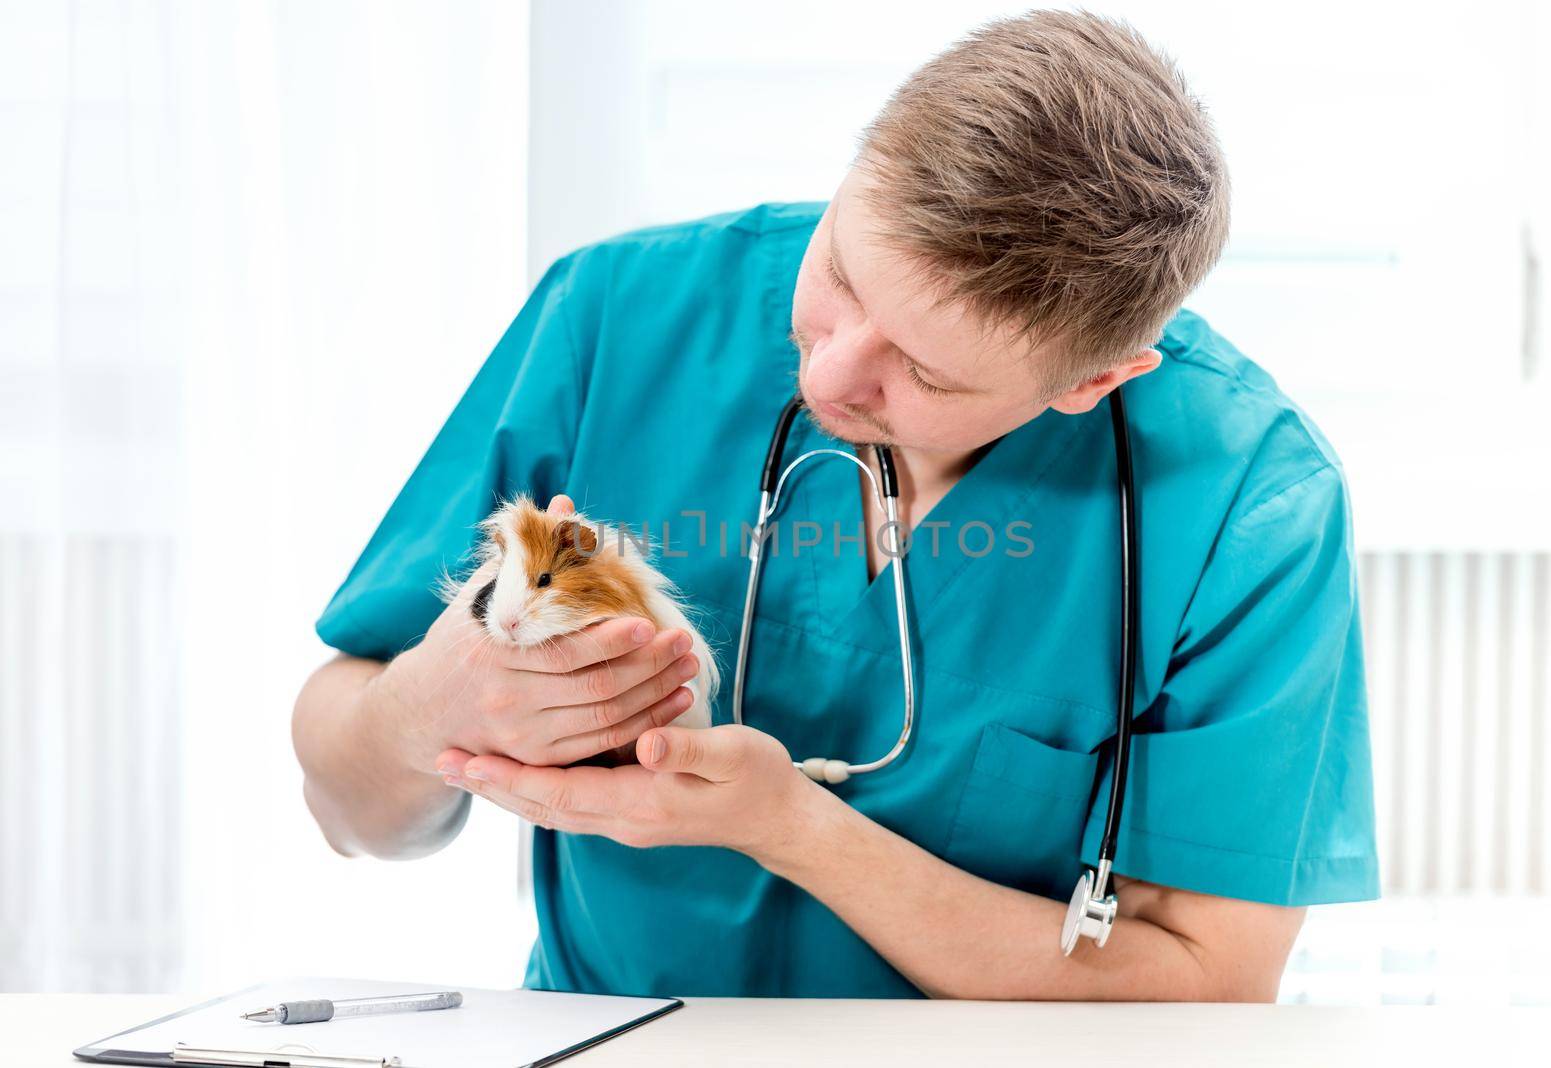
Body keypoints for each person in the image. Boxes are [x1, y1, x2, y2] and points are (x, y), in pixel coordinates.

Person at [292, 10, 1378, 1001]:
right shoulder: (619, 317)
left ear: (1088, 385)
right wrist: (425, 711)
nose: (827, 380)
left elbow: (1206, 987)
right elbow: (345, 809)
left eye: (928, 375)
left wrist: (793, 830)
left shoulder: (1247, 503)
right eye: (846, 277)